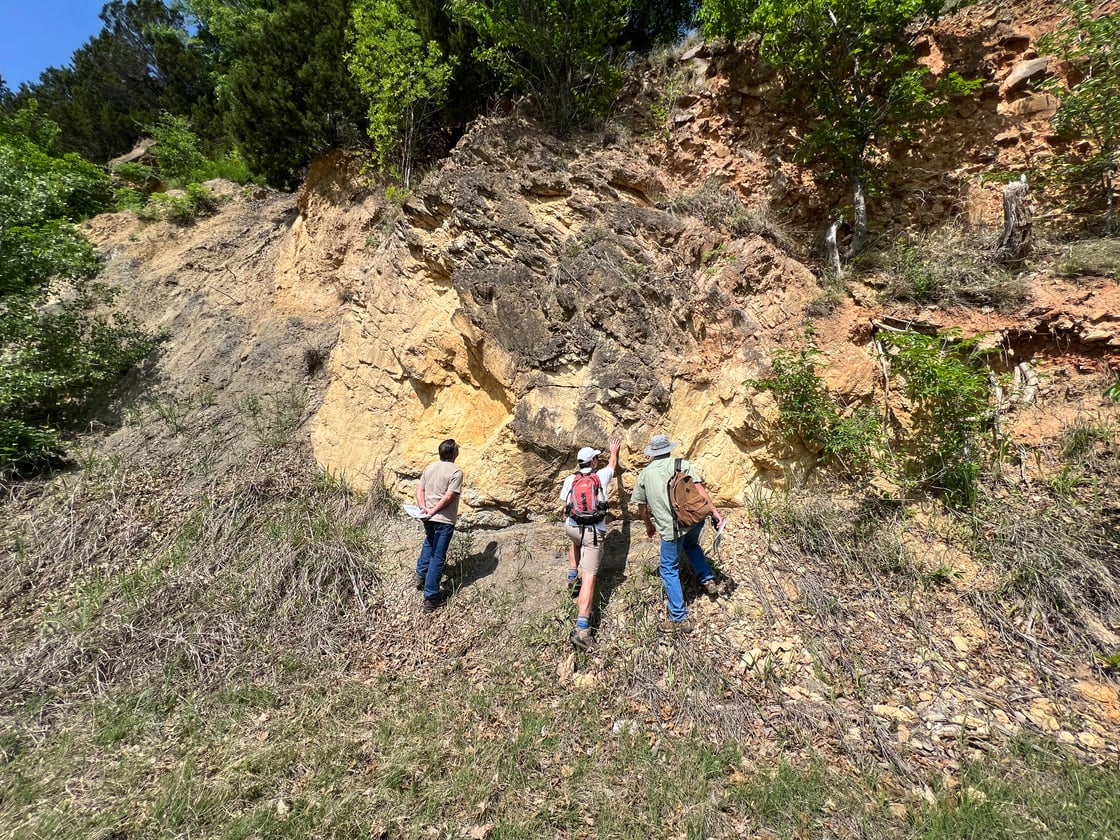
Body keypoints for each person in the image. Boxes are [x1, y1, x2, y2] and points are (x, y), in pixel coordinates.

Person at [632, 433, 723, 633]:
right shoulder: (682, 464)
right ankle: (707, 579)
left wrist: (649, 525)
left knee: (668, 569)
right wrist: (715, 513)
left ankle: (679, 618)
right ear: (669, 450)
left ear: (653, 453)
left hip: (670, 530)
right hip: (693, 521)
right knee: (691, 545)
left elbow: (642, 507)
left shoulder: (645, 474)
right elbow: (700, 491)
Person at [559, 436, 621, 650]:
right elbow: (612, 465)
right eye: (596, 458)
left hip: (572, 529)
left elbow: (565, 505)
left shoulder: (570, 480)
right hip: (593, 532)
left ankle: (571, 574)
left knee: (575, 542)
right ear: (593, 462)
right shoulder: (601, 476)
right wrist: (613, 451)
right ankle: (582, 629)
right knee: (590, 577)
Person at [414, 439, 463, 612]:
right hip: (443, 519)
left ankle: (421, 576)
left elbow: (420, 490)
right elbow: (449, 496)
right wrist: (434, 511)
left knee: (429, 543)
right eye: (457, 448)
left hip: (428, 517)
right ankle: (431, 598)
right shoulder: (456, 471)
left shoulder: (430, 467)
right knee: (438, 556)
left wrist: (423, 509)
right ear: (453, 453)